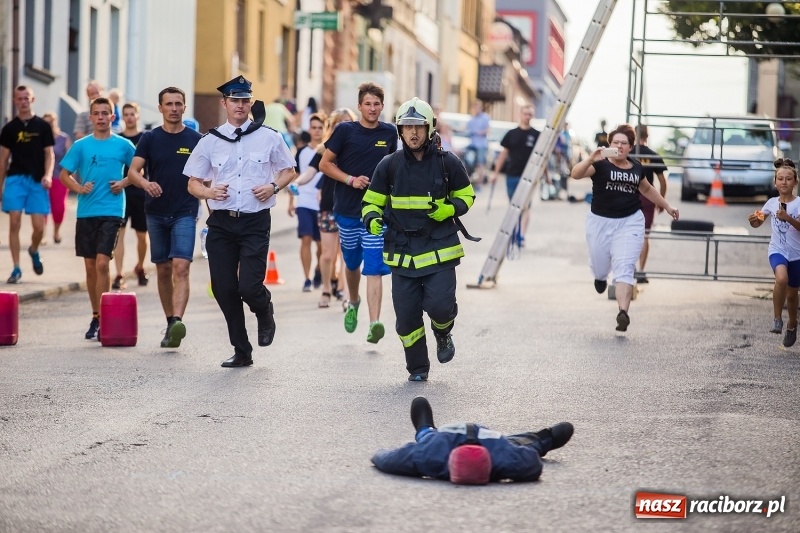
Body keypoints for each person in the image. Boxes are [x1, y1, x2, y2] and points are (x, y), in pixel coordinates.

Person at [184, 76, 296, 368]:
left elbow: (289, 171)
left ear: (250, 103)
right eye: (235, 100)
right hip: (221, 222)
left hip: (255, 222)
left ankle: (264, 309)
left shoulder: (269, 136)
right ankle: (241, 349)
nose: (240, 105)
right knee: (223, 288)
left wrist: (273, 187)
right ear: (224, 103)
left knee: (249, 286)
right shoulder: (210, 141)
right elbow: (193, 183)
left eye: (245, 100)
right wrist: (208, 191)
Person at [362, 97, 475, 381]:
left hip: (440, 247)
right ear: (400, 131)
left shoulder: (448, 163)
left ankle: (442, 331)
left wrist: (449, 209)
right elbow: (371, 202)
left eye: (418, 127)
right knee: (406, 318)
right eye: (407, 127)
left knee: (440, 306)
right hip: (402, 251)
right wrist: (373, 219)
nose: (413, 133)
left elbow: (467, 195)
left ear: (430, 129)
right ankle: (418, 369)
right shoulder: (388, 165)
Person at [570, 124, 679, 332]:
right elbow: (575, 174)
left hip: (629, 221)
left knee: (625, 266)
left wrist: (666, 205)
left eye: (624, 143)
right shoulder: (600, 165)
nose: (619, 146)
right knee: (600, 264)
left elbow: (647, 188)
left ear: (630, 147)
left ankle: (623, 312)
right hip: (600, 221)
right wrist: (591, 159)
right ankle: (600, 277)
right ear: (610, 144)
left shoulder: (637, 167)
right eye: (615, 142)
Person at [319, 82, 397, 343]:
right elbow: (324, 164)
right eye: (368, 104)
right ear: (360, 106)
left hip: (377, 213)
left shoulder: (390, 133)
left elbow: (397, 167)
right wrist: (350, 179)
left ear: (382, 107)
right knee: (352, 264)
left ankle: (374, 323)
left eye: (377, 104)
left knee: (374, 267)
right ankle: (353, 301)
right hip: (348, 210)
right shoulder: (345, 131)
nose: (372, 108)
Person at [127, 87, 203, 348]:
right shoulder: (149, 138)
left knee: (181, 266)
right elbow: (134, 171)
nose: (173, 108)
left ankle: (177, 321)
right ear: (160, 108)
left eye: (178, 104)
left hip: (185, 211)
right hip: (156, 212)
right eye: (168, 104)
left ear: (184, 107)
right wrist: (145, 184)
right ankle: (170, 321)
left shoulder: (196, 139)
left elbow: (209, 175)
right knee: (163, 268)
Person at [59, 97, 135, 340]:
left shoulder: (123, 146)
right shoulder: (81, 146)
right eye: (97, 113)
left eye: (106, 113)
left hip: (112, 210)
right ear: (90, 118)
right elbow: (64, 174)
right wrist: (79, 188)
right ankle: (95, 315)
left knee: (103, 263)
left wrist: (123, 182)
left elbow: (138, 171)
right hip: (86, 212)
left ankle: (104, 317)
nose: (101, 117)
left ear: (113, 118)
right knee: (90, 267)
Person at [371, 397, 574, 484]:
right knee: (526, 443)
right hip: (460, 439)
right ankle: (545, 437)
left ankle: (425, 426)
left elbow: (386, 459)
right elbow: (532, 463)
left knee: (426, 435)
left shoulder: (429, 456)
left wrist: (378, 454)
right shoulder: (504, 458)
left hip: (482, 441)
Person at [295, 108, 356, 308]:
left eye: (347, 122)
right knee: (328, 254)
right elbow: (309, 172)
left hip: (352, 207)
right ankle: (327, 290)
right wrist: (297, 183)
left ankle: (346, 294)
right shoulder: (324, 149)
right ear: (333, 126)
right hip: (329, 207)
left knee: (348, 256)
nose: (343, 126)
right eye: (339, 123)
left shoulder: (359, 148)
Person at [0, 85, 55, 284]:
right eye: (19, 98)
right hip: (15, 179)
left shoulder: (42, 126)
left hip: (37, 180)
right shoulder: (9, 129)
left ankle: (33, 250)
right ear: (15, 101)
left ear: (32, 100)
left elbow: (50, 154)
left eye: (26, 98)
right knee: (14, 221)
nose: (23, 101)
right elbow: (3, 159)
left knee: (39, 228)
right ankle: (16, 268)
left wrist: (48, 175)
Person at [748, 158, 800, 347]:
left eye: (788, 179)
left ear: (795, 182)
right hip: (777, 250)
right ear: (775, 182)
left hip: (797, 254)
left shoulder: (799, 204)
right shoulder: (771, 203)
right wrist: (753, 219)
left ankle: (792, 324)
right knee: (781, 279)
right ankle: (777, 319)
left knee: (793, 294)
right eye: (780, 179)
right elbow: (758, 222)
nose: (784, 182)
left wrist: (788, 218)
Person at [490, 104, 539, 247]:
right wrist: (495, 173)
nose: (528, 117)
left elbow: (542, 158)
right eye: (525, 114)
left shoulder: (537, 135)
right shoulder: (511, 134)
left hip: (529, 177)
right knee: (513, 206)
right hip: (512, 175)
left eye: (530, 114)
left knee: (525, 206)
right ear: (520, 114)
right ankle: (514, 232)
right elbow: (503, 154)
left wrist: (546, 176)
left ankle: (521, 236)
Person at [113, 102, 149, 290]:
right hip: (120, 192)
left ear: (137, 115)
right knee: (119, 234)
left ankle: (140, 267)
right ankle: (119, 273)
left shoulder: (146, 138)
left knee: (142, 236)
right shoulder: (117, 139)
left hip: (141, 192)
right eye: (125, 114)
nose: (128, 117)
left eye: (132, 113)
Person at [289, 112, 325, 293]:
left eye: (320, 128)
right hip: (304, 201)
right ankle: (307, 278)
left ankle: (319, 270)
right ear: (309, 129)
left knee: (321, 246)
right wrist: (291, 201)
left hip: (323, 204)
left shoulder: (328, 151)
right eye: (314, 127)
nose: (317, 131)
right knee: (306, 239)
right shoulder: (302, 152)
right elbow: (294, 175)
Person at [632, 125, 668, 283]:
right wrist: (661, 200)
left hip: (630, 196)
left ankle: (629, 268)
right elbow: (662, 181)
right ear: (647, 135)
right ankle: (641, 271)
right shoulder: (653, 155)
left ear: (633, 134)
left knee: (628, 233)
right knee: (645, 235)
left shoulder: (629, 153)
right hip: (648, 198)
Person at [42, 112, 71, 244]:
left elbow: (70, 159)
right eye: (45, 123)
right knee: (42, 207)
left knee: (58, 208)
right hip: (42, 177)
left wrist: (70, 176)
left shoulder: (63, 138)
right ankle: (41, 235)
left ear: (55, 122)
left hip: (59, 177)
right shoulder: (38, 138)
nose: (48, 125)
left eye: (50, 122)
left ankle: (56, 231)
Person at [465, 100, 490, 184]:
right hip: (472, 144)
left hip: (481, 145)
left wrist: (479, 132)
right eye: (475, 107)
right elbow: (465, 129)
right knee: (468, 162)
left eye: (478, 107)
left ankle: (479, 183)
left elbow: (488, 130)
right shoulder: (471, 119)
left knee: (480, 164)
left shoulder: (485, 117)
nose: (476, 109)